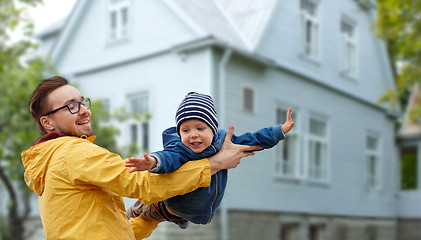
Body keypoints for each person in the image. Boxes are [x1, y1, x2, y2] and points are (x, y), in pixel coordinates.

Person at [21, 77, 262, 240]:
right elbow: (142, 184)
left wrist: (150, 217)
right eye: (71, 106)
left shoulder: (50, 162)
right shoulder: (73, 153)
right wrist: (215, 164)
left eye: (83, 102)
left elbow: (111, 232)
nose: (84, 110)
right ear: (47, 122)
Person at [125, 92, 294, 228]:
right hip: (163, 207)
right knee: (139, 214)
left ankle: (181, 220)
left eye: (200, 128)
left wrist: (279, 131)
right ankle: (127, 217)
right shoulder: (181, 149)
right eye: (185, 130)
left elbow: (254, 139)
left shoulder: (224, 144)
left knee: (182, 214)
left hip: (195, 210)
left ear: (213, 130)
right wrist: (153, 162)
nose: (193, 134)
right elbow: (168, 157)